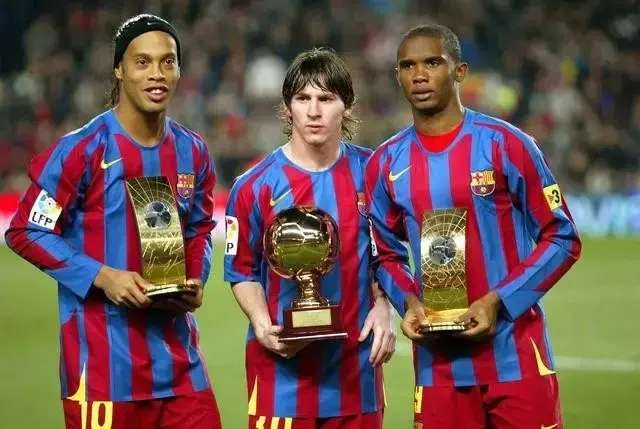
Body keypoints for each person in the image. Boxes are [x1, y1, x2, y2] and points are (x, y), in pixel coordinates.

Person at [5, 14, 222, 429]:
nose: (157, 73)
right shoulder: (82, 150)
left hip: (181, 367)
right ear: (119, 70)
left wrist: (196, 277)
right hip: (103, 372)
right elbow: (25, 231)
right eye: (142, 62)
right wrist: (104, 278)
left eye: (168, 62)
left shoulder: (192, 151)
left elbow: (198, 229)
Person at [365, 24, 582, 429]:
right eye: (408, 66)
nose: (419, 75)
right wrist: (409, 302)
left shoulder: (507, 144)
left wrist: (499, 300)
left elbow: (562, 238)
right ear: (397, 76)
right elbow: (384, 254)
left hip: (516, 356)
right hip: (438, 367)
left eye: (433, 62)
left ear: (460, 71)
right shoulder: (385, 162)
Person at [224, 48, 395, 429]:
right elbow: (241, 270)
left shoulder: (373, 174)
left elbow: (387, 256)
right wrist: (261, 324)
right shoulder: (253, 186)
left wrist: (384, 306)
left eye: (326, 99)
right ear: (288, 107)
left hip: (357, 374)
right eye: (303, 99)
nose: (314, 111)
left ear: (346, 107)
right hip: (281, 379)